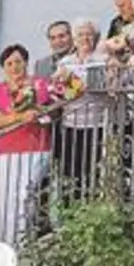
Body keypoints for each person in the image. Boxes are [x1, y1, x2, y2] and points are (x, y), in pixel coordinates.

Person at [0, 43, 53, 245]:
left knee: (25, 197)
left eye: (19, 62)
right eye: (9, 63)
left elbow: (41, 109)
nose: (15, 67)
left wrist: (17, 114)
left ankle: (23, 246)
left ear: (26, 63)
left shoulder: (39, 84)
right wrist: (21, 116)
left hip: (35, 147)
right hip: (5, 151)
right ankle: (5, 246)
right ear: (3, 67)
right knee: (5, 201)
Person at [53, 20, 109, 201]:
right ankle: (71, 210)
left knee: (93, 171)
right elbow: (61, 93)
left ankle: (92, 206)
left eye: (89, 34)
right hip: (71, 123)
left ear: (95, 38)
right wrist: (72, 87)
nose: (84, 38)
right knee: (71, 171)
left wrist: (71, 80)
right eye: (80, 35)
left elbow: (95, 87)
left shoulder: (102, 61)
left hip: (96, 124)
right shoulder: (65, 62)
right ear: (74, 39)